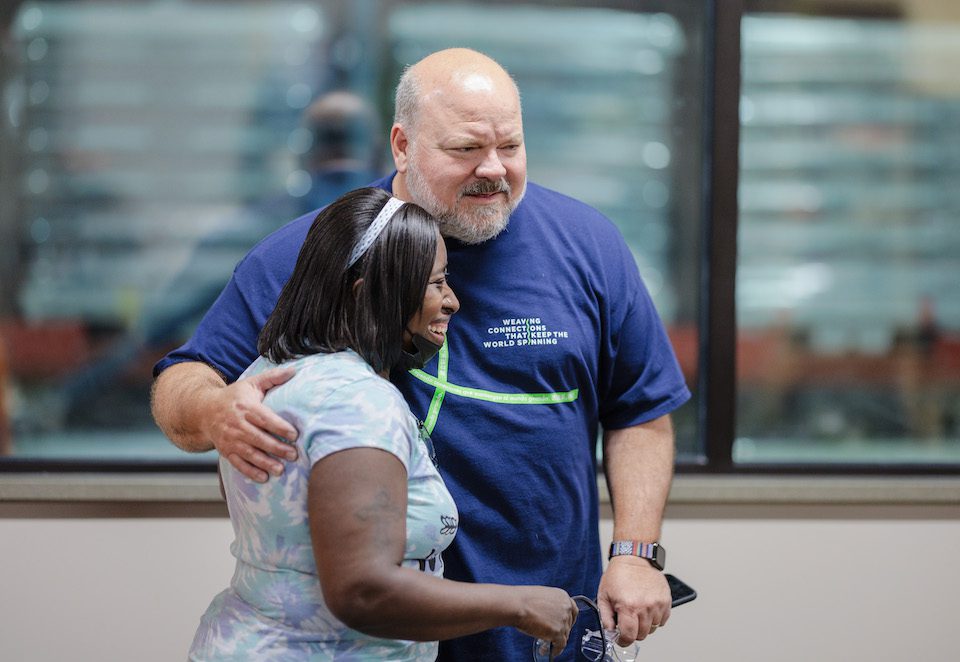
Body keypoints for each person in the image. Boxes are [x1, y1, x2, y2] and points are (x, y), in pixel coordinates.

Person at [154, 48, 691, 661]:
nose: (493, 169)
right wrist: (216, 411)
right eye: (465, 149)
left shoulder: (588, 245)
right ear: (403, 145)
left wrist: (635, 553)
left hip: (543, 626)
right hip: (372, 637)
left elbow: (641, 411)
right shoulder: (325, 251)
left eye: (510, 147)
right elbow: (181, 382)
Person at [188, 187, 577, 660]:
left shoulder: (265, 374)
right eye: (436, 284)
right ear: (366, 292)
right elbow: (363, 591)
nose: (452, 300)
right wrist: (520, 604)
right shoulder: (357, 403)